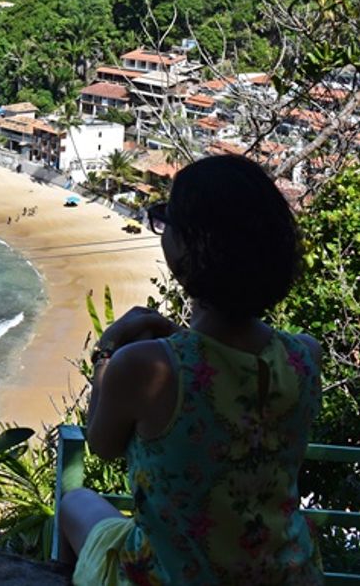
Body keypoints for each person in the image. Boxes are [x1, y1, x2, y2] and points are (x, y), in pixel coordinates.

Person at [60, 154, 322, 584]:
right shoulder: (305, 357)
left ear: (186, 247)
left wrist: (106, 351)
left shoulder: (149, 367)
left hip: (174, 576)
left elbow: (102, 444)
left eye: (167, 220)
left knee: (74, 502)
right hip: (286, 576)